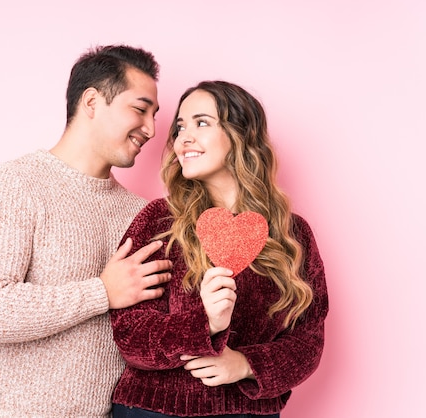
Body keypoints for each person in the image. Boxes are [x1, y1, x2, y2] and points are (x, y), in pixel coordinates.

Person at [0, 44, 173, 418]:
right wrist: (102, 291)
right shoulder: (13, 185)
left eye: (154, 115)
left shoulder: (143, 214)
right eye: (139, 109)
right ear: (91, 102)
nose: (152, 129)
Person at [110, 80, 329, 417]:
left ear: (240, 135)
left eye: (201, 122)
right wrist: (205, 324)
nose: (183, 138)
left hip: (249, 412)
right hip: (156, 409)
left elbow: (309, 340)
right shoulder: (159, 221)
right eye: (180, 126)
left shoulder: (292, 234)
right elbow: (131, 334)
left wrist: (246, 365)